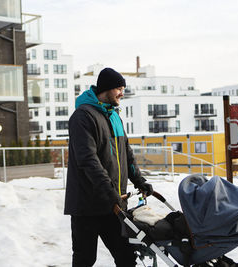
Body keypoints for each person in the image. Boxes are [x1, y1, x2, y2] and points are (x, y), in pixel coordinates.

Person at [64, 68, 153, 267]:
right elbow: (88, 160)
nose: (122, 93)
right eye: (119, 89)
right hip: (87, 204)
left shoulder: (114, 117)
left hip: (113, 204)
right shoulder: (82, 117)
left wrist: (139, 180)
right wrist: (109, 191)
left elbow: (126, 154)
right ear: (106, 89)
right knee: (85, 259)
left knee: (126, 257)